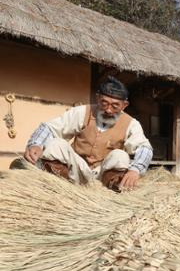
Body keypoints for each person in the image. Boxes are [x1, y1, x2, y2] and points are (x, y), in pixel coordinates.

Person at [23, 76, 153, 190]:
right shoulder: (82, 112)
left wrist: (135, 170)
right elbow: (50, 128)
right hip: (76, 170)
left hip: (103, 175)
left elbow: (144, 148)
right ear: (98, 98)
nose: (108, 110)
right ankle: (56, 188)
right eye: (104, 103)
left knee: (120, 156)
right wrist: (36, 144)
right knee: (56, 144)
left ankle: (112, 192)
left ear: (124, 105)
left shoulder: (131, 123)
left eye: (115, 106)